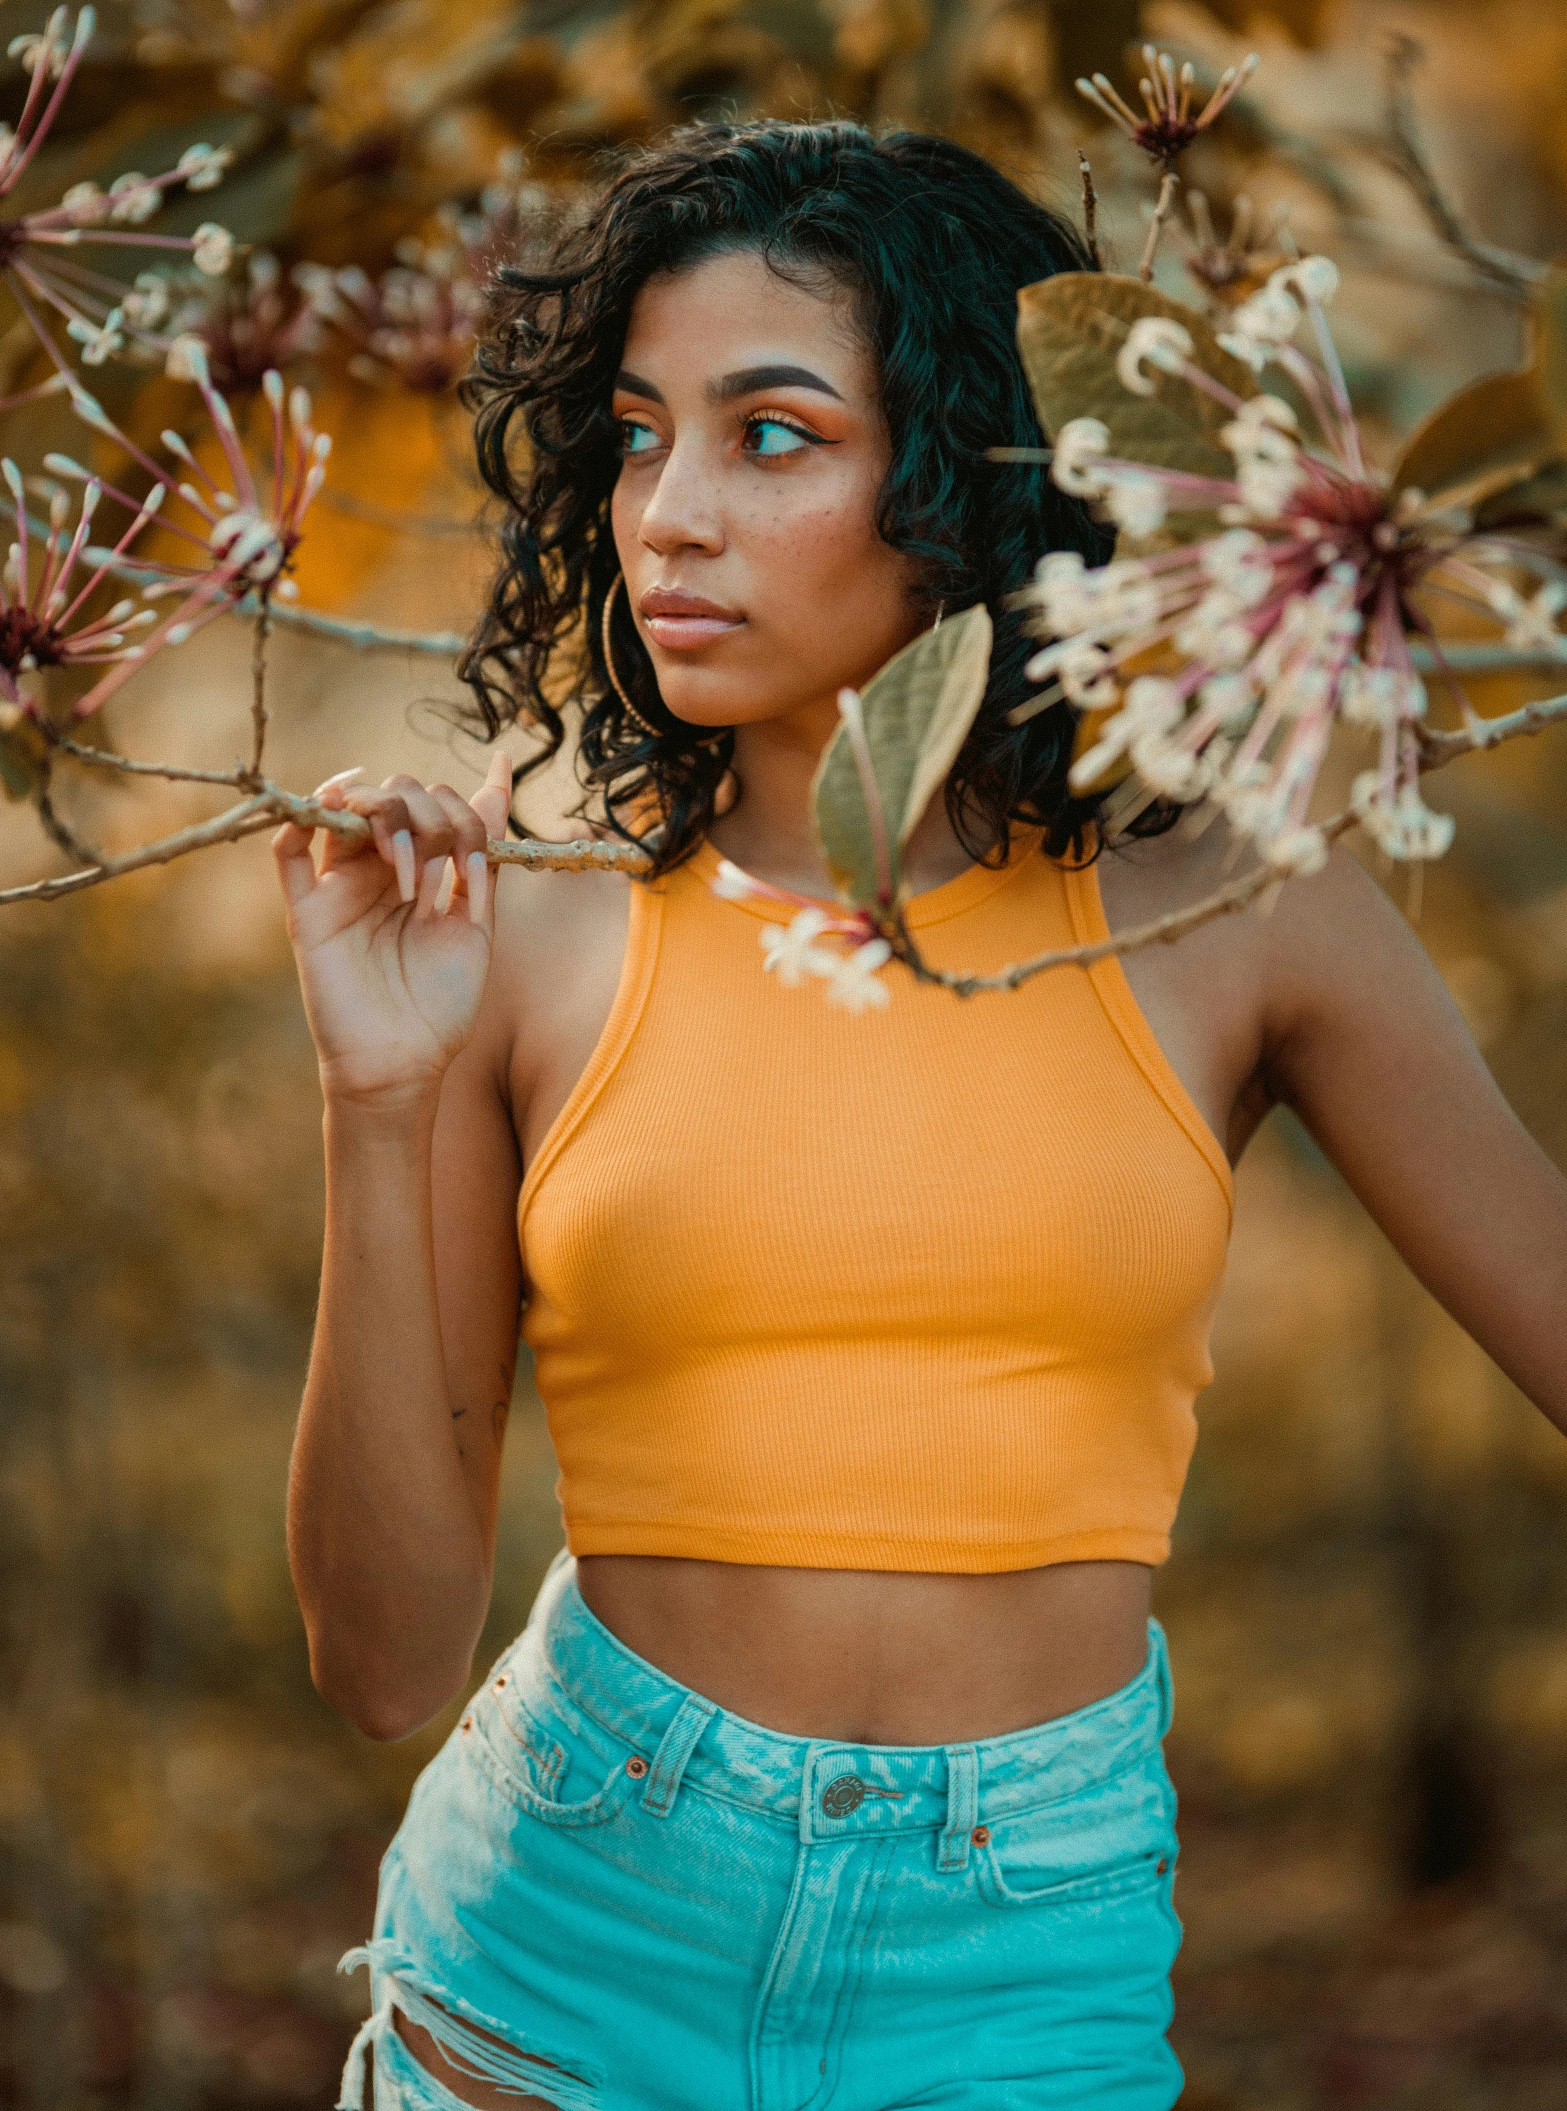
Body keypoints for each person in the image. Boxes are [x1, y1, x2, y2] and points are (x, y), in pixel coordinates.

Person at [272, 120, 1567, 2111]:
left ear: (973, 481)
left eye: (769, 434)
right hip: (560, 1950)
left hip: (1020, 1962)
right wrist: (378, 1099)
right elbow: (376, 1666)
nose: (668, 515)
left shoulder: (1241, 907)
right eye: (636, 435)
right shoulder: (523, 938)